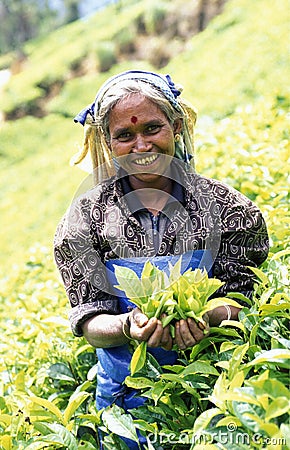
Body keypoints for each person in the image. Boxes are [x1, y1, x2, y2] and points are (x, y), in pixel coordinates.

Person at [54, 70, 269, 449]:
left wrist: (210, 315)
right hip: (127, 408)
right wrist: (129, 325)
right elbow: (89, 321)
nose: (141, 145)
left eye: (152, 128)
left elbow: (247, 303)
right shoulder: (84, 220)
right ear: (107, 142)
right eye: (125, 135)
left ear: (177, 125)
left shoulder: (230, 210)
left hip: (216, 399)